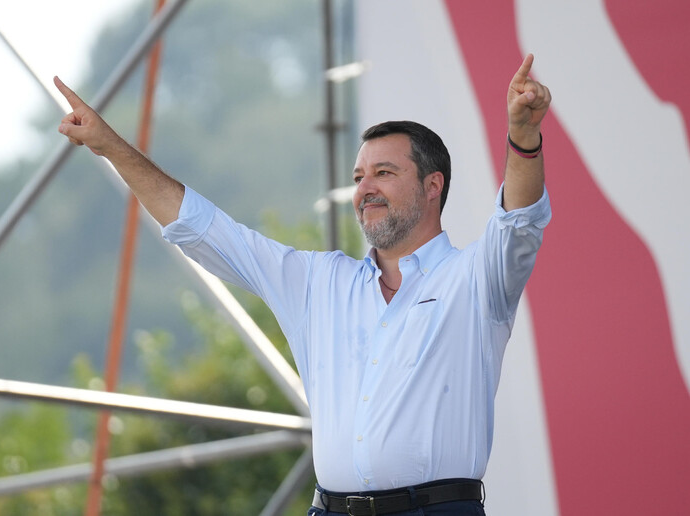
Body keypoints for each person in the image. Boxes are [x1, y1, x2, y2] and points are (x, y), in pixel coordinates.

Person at [54, 53, 551, 516]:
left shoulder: (475, 278)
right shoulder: (319, 282)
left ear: (432, 185)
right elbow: (202, 228)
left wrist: (523, 138)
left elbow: (520, 221)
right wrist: (109, 146)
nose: (365, 189)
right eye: (358, 177)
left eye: (383, 173)